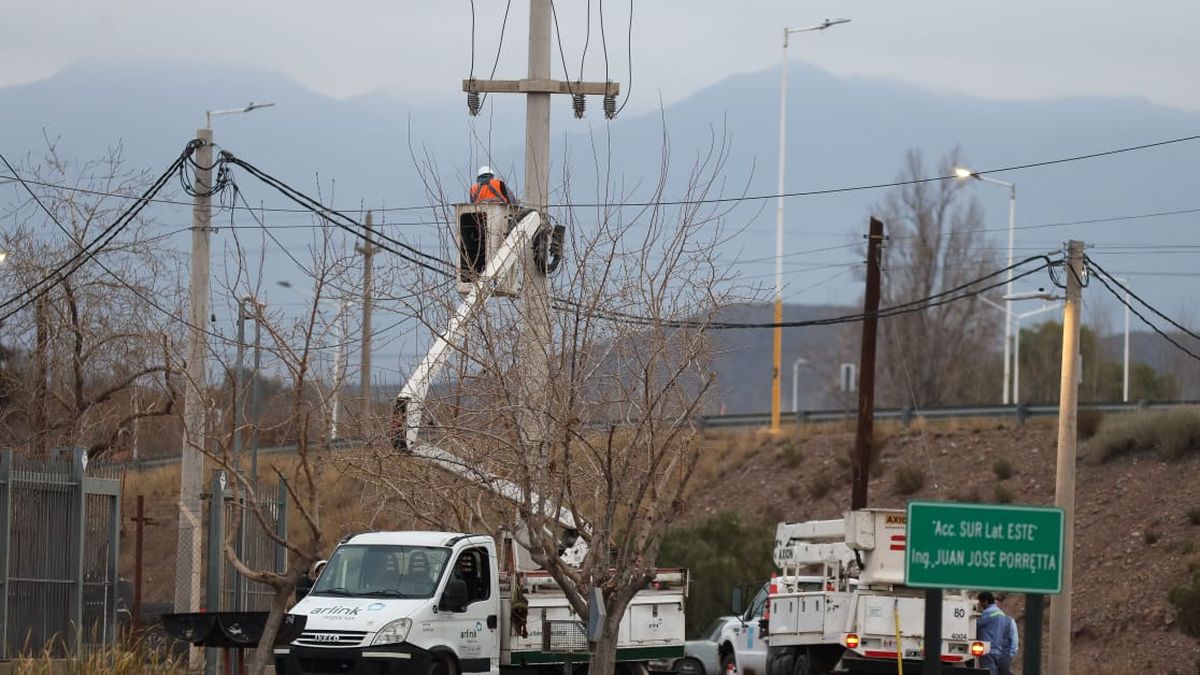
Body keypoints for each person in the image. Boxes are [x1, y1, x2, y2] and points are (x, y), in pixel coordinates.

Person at [975, 591, 1018, 675]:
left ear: (986, 601)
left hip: (988, 651)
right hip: (997, 651)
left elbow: (975, 625)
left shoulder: (988, 612)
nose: (980, 604)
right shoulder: (1001, 613)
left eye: (980, 602)